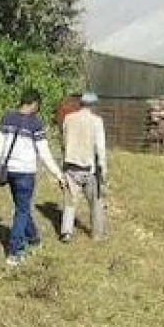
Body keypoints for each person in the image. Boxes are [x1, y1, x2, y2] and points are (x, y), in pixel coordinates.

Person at [0, 89, 64, 266]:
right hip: (25, 173)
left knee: (22, 206)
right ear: (34, 104)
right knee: (21, 211)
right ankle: (14, 252)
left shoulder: (7, 118)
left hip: (8, 171)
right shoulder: (35, 124)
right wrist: (58, 174)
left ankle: (34, 239)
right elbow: (44, 154)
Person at [59, 92, 109, 242]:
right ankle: (97, 234)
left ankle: (66, 232)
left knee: (70, 201)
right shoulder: (96, 121)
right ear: (93, 105)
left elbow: (64, 141)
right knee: (96, 202)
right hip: (88, 168)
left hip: (70, 165)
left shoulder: (68, 119)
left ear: (80, 104)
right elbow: (100, 147)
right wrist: (103, 168)